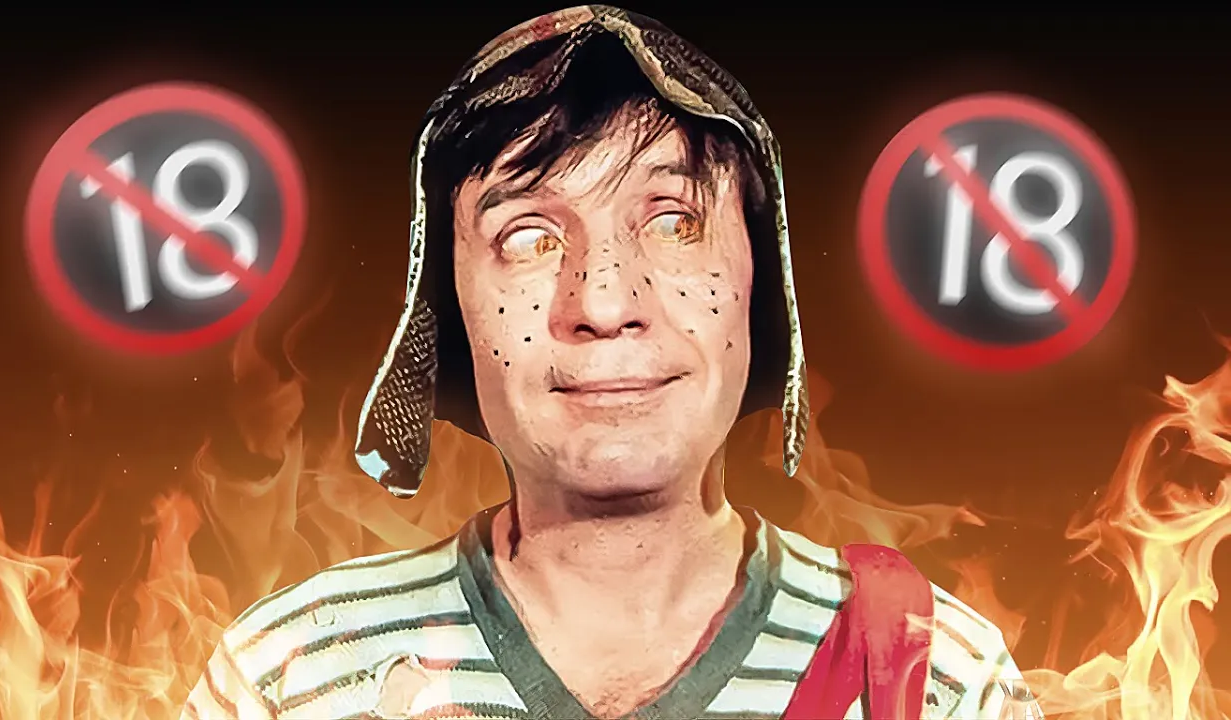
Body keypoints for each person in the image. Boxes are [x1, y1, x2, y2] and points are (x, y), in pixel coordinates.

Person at [183, 7, 1042, 719]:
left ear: (757, 281)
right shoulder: (295, 672)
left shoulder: (939, 678)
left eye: (674, 221)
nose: (600, 302)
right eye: (527, 237)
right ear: (452, 313)